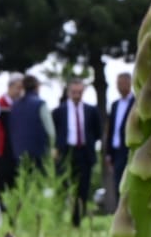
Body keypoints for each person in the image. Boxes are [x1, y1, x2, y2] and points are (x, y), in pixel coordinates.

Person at [53, 79, 101, 225]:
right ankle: (59, 219)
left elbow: (97, 132)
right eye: (74, 92)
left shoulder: (91, 111)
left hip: (84, 153)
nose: (76, 95)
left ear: (83, 92)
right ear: (69, 92)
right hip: (66, 153)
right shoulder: (58, 112)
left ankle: (77, 220)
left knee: (82, 187)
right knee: (62, 186)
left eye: (79, 92)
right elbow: (54, 132)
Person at [105, 72, 135, 202]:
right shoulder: (115, 105)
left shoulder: (136, 103)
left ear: (130, 83)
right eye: (118, 84)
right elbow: (111, 129)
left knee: (130, 182)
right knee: (118, 182)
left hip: (130, 149)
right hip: (116, 150)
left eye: (122, 83)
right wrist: (108, 153)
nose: (119, 86)